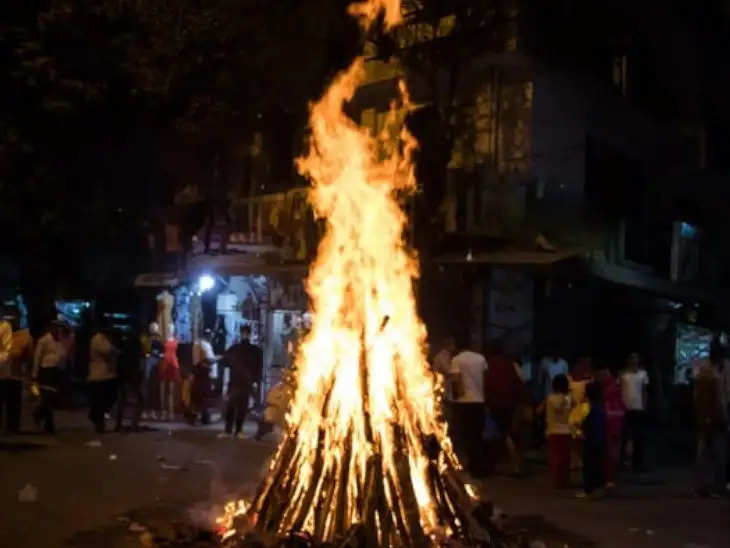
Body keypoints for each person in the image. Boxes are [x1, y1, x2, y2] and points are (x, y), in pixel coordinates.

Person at [448, 337, 489, 477]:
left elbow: (455, 382)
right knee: (478, 435)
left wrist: (455, 398)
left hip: (464, 402)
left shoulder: (457, 360)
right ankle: (481, 466)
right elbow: (485, 378)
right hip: (479, 401)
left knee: (466, 436)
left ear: (457, 345)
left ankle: (473, 467)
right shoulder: (480, 358)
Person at [484, 341, 526, 476]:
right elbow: (521, 381)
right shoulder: (511, 364)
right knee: (509, 433)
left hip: (496, 403)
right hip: (511, 403)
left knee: (502, 433)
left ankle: (513, 466)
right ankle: (513, 464)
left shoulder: (489, 365)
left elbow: (486, 384)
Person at [693, 348, 727, 497]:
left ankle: (701, 486)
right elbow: (719, 402)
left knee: (702, 454)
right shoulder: (715, 378)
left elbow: (696, 398)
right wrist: (724, 418)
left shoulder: (700, 376)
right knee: (719, 454)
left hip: (702, 417)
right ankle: (717, 487)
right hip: (715, 419)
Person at [221, 325, 262, 438]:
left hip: (234, 381)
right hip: (246, 383)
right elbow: (259, 368)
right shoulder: (256, 351)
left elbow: (224, 362)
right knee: (241, 407)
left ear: (241, 334)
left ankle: (228, 430)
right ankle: (238, 431)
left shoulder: (234, 348)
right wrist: (255, 382)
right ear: (250, 335)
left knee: (231, 406)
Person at [32, 321, 69, 433]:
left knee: (53, 397)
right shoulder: (44, 340)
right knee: (47, 397)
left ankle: (39, 414)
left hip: (57, 371)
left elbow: (63, 355)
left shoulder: (60, 341)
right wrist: (35, 373)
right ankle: (49, 424)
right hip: (46, 370)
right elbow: (37, 357)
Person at [3, 310, 34, 434]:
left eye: (12, 320)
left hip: (15, 377)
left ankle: (13, 427)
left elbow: (29, 359)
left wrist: (29, 377)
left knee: (14, 404)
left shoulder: (25, 338)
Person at [620, 352, 649, 472]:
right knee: (624, 436)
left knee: (638, 436)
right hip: (625, 408)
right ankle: (623, 462)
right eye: (631, 358)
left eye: (635, 358)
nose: (634, 360)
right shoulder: (623, 374)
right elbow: (620, 390)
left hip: (638, 408)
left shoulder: (643, 374)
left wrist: (644, 405)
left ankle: (637, 463)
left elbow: (644, 391)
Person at [576, 381, 606, 498]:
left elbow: (578, 423)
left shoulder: (587, 408)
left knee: (588, 466)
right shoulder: (600, 408)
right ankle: (598, 489)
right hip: (599, 440)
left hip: (589, 440)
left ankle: (589, 490)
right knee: (597, 465)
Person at [88, 326, 120, 433]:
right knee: (101, 401)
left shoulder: (105, 339)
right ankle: (97, 420)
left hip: (107, 374)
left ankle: (96, 417)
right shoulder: (98, 339)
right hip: (99, 375)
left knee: (107, 399)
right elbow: (108, 350)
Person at [598, 366, 625, 487]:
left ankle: (609, 479)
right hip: (614, 424)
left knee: (610, 453)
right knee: (612, 453)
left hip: (610, 425)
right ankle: (609, 478)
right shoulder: (615, 388)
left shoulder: (608, 390)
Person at [544, 373, 572, 488]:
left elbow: (555, 409)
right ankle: (564, 480)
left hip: (554, 431)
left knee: (555, 457)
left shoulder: (550, 398)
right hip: (567, 431)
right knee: (565, 458)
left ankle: (557, 481)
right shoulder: (569, 397)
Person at [190, 329, 218, 424]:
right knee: (203, 397)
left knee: (198, 397)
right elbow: (208, 360)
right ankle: (203, 418)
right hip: (204, 374)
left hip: (200, 373)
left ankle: (197, 417)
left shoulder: (197, 344)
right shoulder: (204, 345)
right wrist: (217, 359)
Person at [159, 324, 180, 420]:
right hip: (165, 364)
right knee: (163, 390)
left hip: (173, 365)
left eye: (172, 328)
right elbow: (161, 351)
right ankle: (163, 412)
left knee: (171, 391)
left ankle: (171, 412)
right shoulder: (164, 340)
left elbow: (177, 353)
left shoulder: (176, 340)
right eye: (169, 328)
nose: (170, 330)